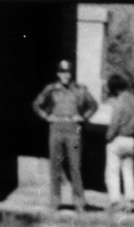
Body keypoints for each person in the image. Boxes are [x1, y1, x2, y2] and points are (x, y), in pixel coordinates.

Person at [32, 60, 97, 211]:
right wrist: (47, 116)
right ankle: (55, 202)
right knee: (55, 166)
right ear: (58, 74)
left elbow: (93, 105)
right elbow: (36, 104)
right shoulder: (51, 89)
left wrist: (83, 117)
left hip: (73, 129)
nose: (65, 75)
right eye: (62, 72)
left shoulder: (80, 89)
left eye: (67, 72)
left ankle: (79, 203)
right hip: (56, 128)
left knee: (75, 166)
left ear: (71, 73)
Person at [104, 71, 134, 212]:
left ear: (114, 88)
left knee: (112, 172)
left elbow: (115, 124)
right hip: (131, 140)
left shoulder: (119, 103)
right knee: (128, 172)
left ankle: (115, 201)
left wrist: (108, 137)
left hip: (118, 139)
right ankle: (131, 200)